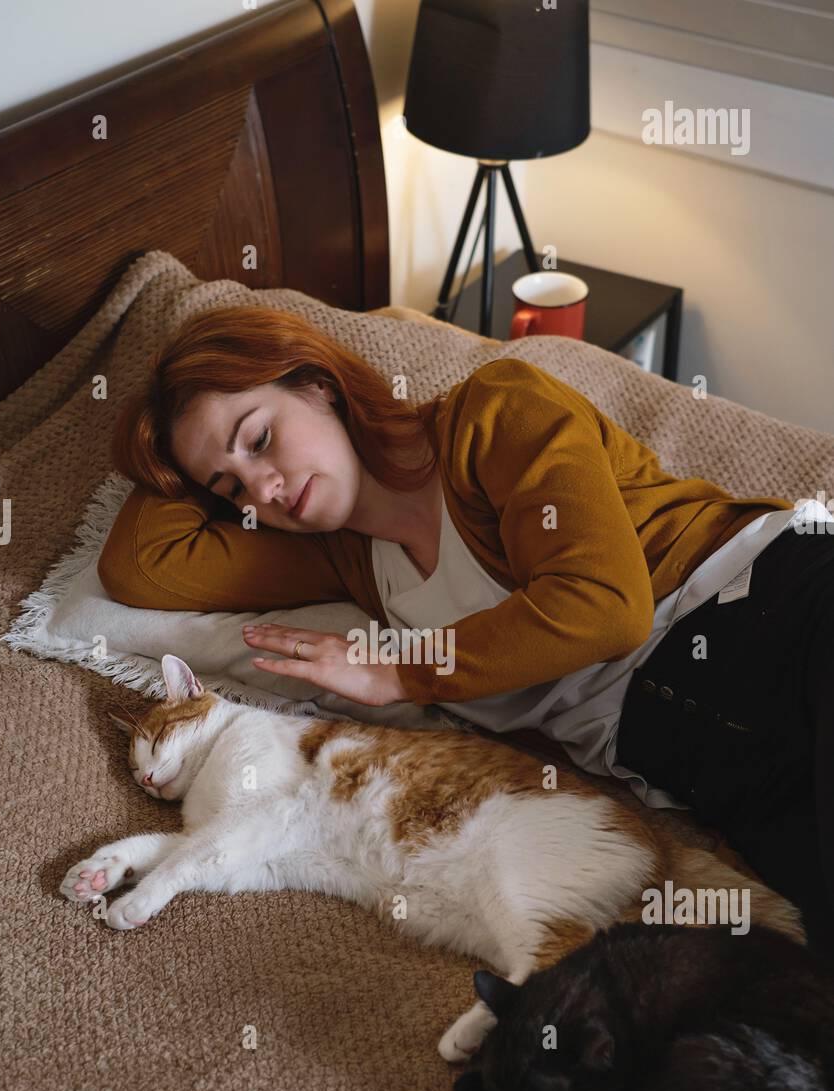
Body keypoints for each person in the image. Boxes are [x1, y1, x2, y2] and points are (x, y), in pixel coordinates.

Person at [98, 305, 834, 954]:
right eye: (229, 488)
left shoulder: (497, 409)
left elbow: (605, 607)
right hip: (695, 755)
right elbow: (141, 566)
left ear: (317, 384)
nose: (262, 489)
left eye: (259, 439)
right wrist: (170, 450)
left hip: (769, 604)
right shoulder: (342, 559)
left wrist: (401, 672)